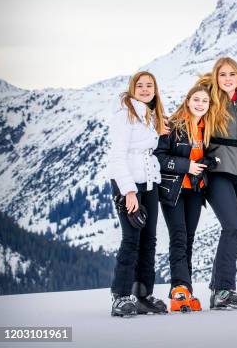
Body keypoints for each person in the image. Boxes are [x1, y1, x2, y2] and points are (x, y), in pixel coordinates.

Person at [107, 70, 168, 316]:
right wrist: (128, 191)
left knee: (149, 240)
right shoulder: (125, 115)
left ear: (155, 90)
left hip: (149, 182)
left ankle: (143, 295)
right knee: (131, 239)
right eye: (140, 85)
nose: (145, 89)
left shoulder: (151, 116)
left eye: (149, 86)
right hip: (128, 183)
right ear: (133, 89)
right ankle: (120, 296)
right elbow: (117, 156)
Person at [154, 83, 217, 312]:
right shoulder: (173, 125)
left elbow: (205, 155)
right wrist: (186, 165)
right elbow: (159, 157)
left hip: (195, 191)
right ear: (188, 100)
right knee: (178, 237)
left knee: (188, 239)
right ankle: (178, 288)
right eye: (196, 99)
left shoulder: (206, 127)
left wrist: (206, 163)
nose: (200, 104)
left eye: (205, 101)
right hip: (174, 190)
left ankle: (186, 291)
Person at [204, 57, 237, 310]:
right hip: (218, 170)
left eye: (232, 74)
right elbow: (189, 124)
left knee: (236, 230)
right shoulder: (207, 99)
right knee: (231, 226)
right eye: (222, 74)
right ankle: (224, 288)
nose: (227, 78)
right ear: (216, 76)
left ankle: (217, 289)